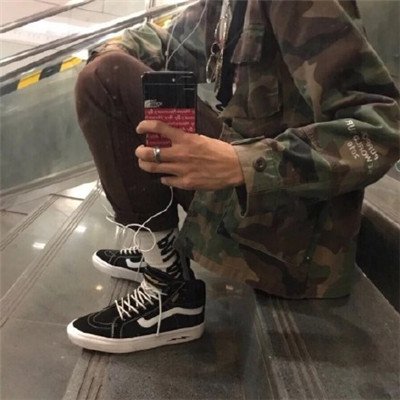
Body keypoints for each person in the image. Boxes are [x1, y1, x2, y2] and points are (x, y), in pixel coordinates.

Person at [67, 0, 400, 353]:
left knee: (105, 79)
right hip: (253, 194)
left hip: (294, 231)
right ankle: (161, 252)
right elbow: (168, 40)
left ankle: (172, 293)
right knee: (112, 69)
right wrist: (117, 45)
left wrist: (242, 162)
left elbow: (381, 129)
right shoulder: (226, 5)